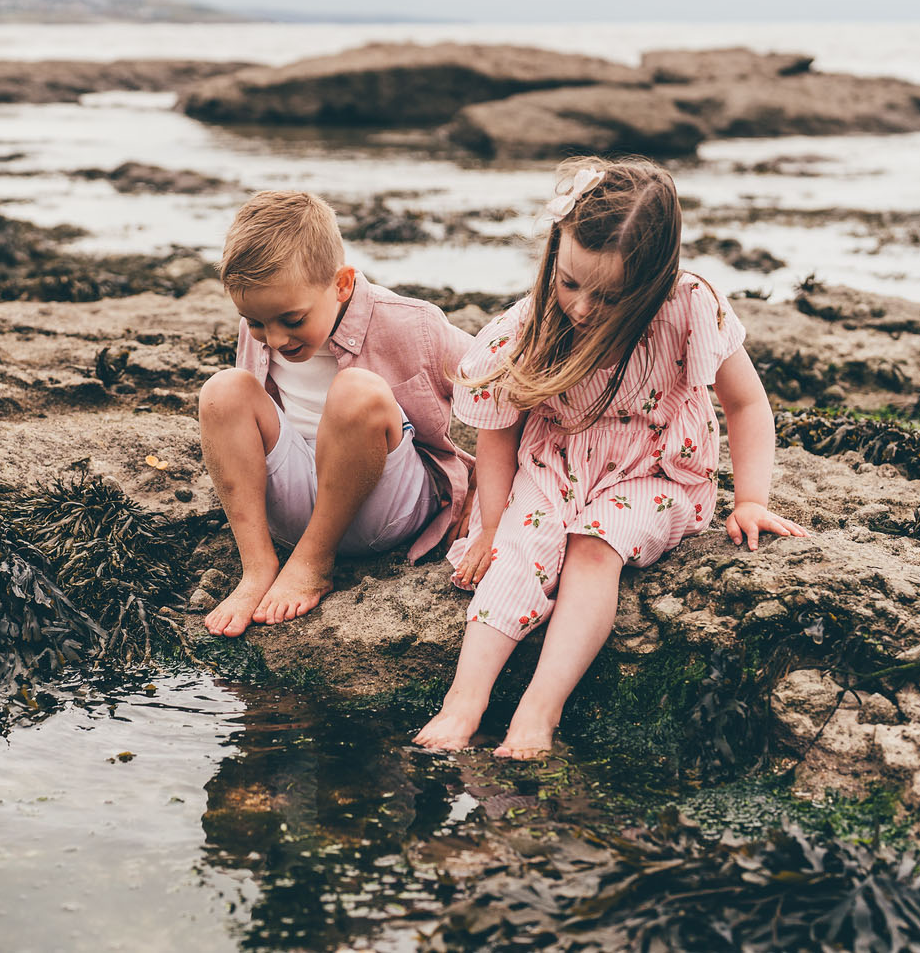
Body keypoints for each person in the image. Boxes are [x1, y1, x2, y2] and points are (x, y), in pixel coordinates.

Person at [413, 157, 806, 759]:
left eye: (609, 295)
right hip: (556, 465)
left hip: (655, 471)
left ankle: (540, 709)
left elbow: (746, 404)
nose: (582, 308)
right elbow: (498, 434)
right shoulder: (535, 324)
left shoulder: (689, 306)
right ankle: (463, 703)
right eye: (571, 283)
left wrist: (751, 499)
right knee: (518, 552)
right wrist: (491, 524)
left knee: (594, 547)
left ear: (654, 280)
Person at [200, 190, 474, 637]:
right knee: (223, 390)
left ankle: (312, 562)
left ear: (342, 284)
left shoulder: (413, 323)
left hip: (384, 506)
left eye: (292, 320)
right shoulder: (267, 320)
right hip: (293, 508)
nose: (275, 339)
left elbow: (507, 382)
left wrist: (488, 485)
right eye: (255, 322)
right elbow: (246, 423)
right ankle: (259, 567)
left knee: (354, 392)